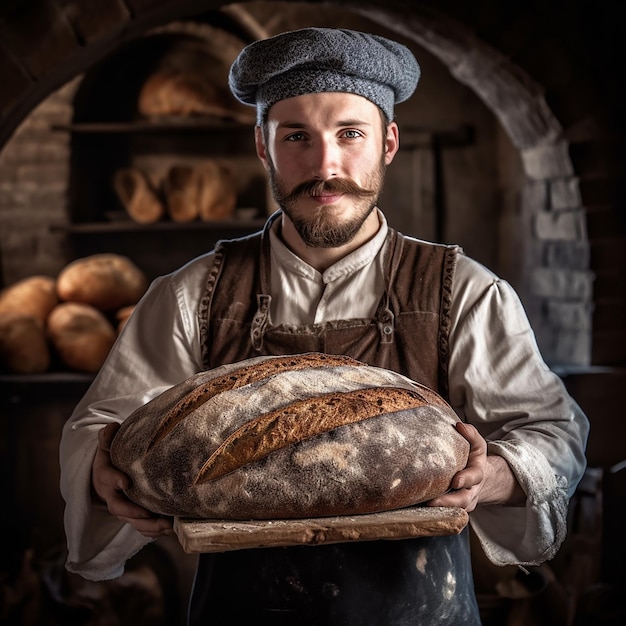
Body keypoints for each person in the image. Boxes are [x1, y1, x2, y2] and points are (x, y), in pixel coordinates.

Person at [59, 27, 589, 625]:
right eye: (296, 137)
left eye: (350, 134)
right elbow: (101, 427)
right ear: (263, 147)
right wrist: (101, 472)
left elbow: (552, 432)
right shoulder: (189, 295)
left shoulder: (464, 291)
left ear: (389, 142)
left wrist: (492, 474)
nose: (325, 166)